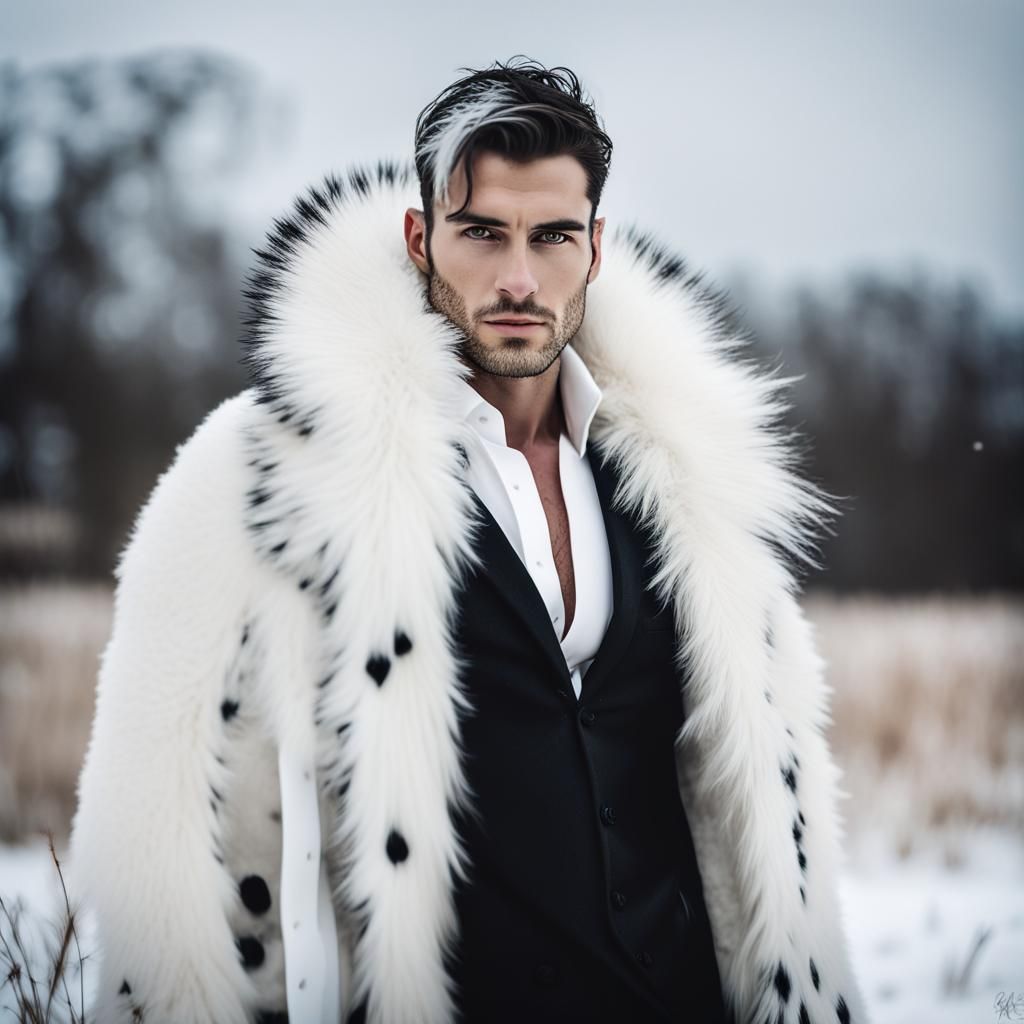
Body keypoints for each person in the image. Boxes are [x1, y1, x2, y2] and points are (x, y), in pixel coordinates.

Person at [70, 58, 868, 1024]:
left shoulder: (687, 486)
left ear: (597, 248)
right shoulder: (268, 479)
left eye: (553, 237)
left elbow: (765, 823)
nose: (519, 279)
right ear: (420, 238)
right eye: (483, 234)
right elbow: (153, 830)